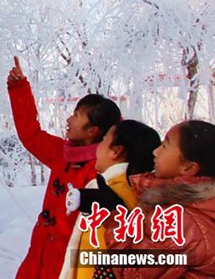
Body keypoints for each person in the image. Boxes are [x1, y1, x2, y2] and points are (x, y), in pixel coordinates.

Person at [8, 56, 122, 279]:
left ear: (93, 131)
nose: (69, 119)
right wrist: (19, 87)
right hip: (38, 258)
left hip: (68, 266)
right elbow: (30, 133)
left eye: (77, 115)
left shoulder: (103, 172)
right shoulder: (63, 154)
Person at [106, 120, 215, 279]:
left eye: (165, 145)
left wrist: (116, 221)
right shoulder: (209, 204)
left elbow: (132, 273)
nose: (155, 152)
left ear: (189, 168)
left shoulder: (179, 221)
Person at [60, 120, 161, 279]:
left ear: (116, 151)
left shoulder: (110, 192)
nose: (98, 147)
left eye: (104, 140)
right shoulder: (141, 191)